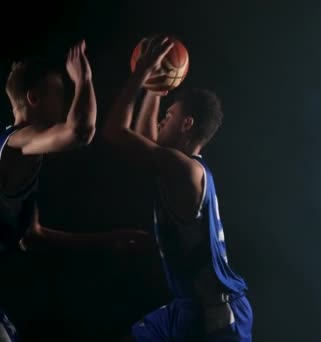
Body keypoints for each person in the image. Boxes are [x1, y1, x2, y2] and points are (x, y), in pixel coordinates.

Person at [0, 40, 148, 342]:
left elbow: (32, 238)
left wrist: (109, 239)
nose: (65, 104)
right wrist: (84, 80)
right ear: (34, 98)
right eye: (60, 94)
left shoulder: (24, 154)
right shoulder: (17, 144)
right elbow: (80, 132)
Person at [102, 37, 253, 341]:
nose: (160, 121)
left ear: (186, 124)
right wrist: (155, 89)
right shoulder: (181, 168)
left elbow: (114, 132)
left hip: (215, 315)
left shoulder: (184, 170)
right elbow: (149, 140)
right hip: (189, 306)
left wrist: (141, 73)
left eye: (168, 117)